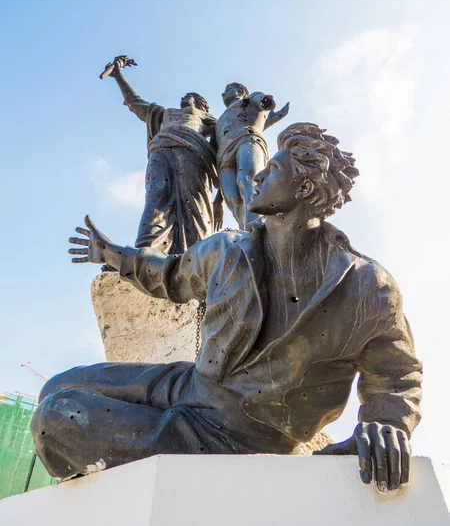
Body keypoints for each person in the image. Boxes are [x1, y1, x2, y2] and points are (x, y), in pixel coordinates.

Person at [32, 123, 422, 491]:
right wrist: (111, 254)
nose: (257, 177)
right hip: (190, 384)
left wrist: (387, 423)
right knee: (55, 386)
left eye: (273, 170)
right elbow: (167, 274)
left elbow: (397, 375)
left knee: (55, 419)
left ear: (304, 188)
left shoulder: (366, 285)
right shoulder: (227, 249)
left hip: (238, 434)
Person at [103, 55, 223, 253]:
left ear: (201, 103)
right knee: (155, 195)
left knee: (193, 203)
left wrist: (220, 199)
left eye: (188, 95)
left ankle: (196, 257)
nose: (183, 98)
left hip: (193, 153)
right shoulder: (164, 113)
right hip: (161, 149)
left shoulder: (208, 119)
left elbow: (229, 144)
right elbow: (135, 103)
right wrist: (118, 75)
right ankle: (144, 252)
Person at [216, 83, 289, 228]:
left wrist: (265, 102)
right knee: (232, 198)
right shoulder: (219, 121)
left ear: (240, 91)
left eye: (228, 90)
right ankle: (245, 230)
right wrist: (217, 201)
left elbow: (261, 101)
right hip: (224, 156)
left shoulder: (250, 99)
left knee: (247, 180)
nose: (223, 94)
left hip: (247, 140)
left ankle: (254, 228)